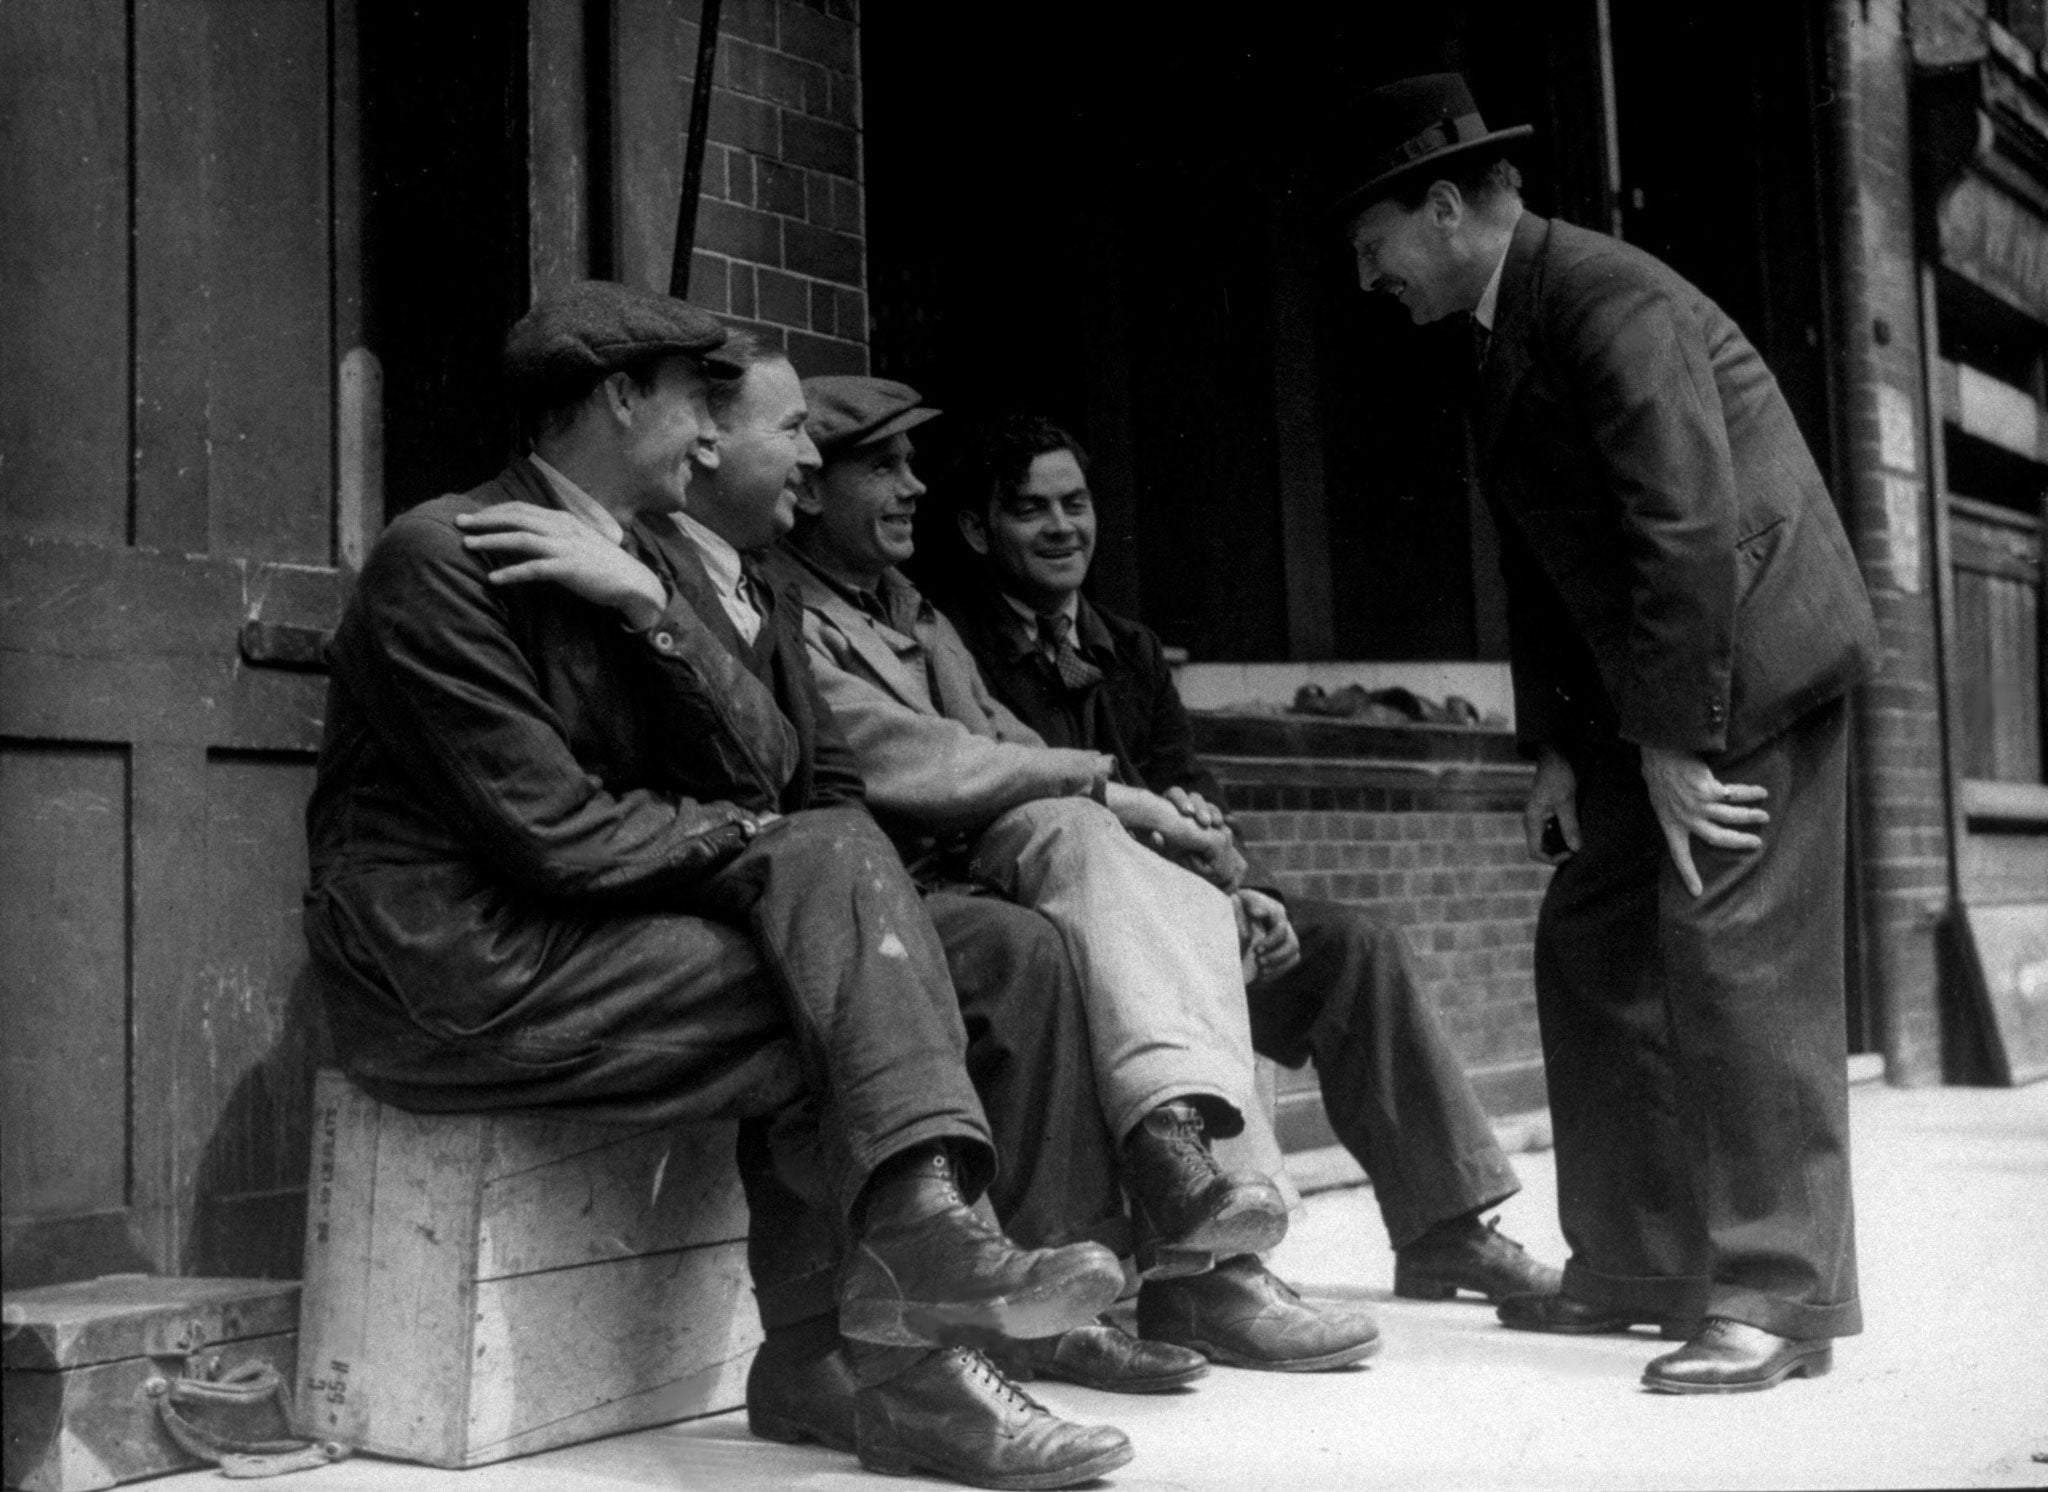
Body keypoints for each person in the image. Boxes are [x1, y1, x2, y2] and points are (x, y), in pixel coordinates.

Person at [301, 280, 1134, 1490]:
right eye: (697, 398)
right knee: (839, 954)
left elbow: (773, 765)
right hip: (456, 967)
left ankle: (849, 1337)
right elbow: (557, 834)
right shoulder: (442, 557)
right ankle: (895, 1337)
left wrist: (647, 612)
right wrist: (752, 836)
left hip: (586, 942)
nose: (713, 429)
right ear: (617, 395)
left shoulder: (642, 561)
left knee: (875, 945)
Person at [1325, 73, 1879, 1393]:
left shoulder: (1608, 297)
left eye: (1372, 248)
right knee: (1593, 939)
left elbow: (1680, 525)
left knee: (1728, 947)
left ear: (1447, 207)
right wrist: (1566, 750)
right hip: (1664, 683)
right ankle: (1636, 1265)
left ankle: (1775, 1298)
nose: (1367, 281)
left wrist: (1680, 743)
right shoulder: (1501, 325)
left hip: (1753, 660)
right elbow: (1548, 563)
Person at [778, 374, 1385, 1376]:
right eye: (879, 468)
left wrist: (1191, 855)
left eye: (911, 465)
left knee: (1180, 896)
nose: (911, 488)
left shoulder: (904, 605)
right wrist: (1115, 791)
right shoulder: (793, 613)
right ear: (810, 490)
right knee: (1081, 837)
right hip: (891, 881)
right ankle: (1191, 1206)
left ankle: (1205, 1242)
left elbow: (1005, 737)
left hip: (977, 863)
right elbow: (917, 760)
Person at [945, 412, 1562, 1312]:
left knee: (1353, 948)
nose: (1061, 529)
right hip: (1070, 930)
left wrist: (1252, 891)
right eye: (1030, 511)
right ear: (977, 530)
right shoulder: (956, 650)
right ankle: (1198, 1263)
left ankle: (1446, 1230)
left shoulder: (1129, 649)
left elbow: (1191, 791)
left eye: (1074, 504)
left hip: (1188, 912)